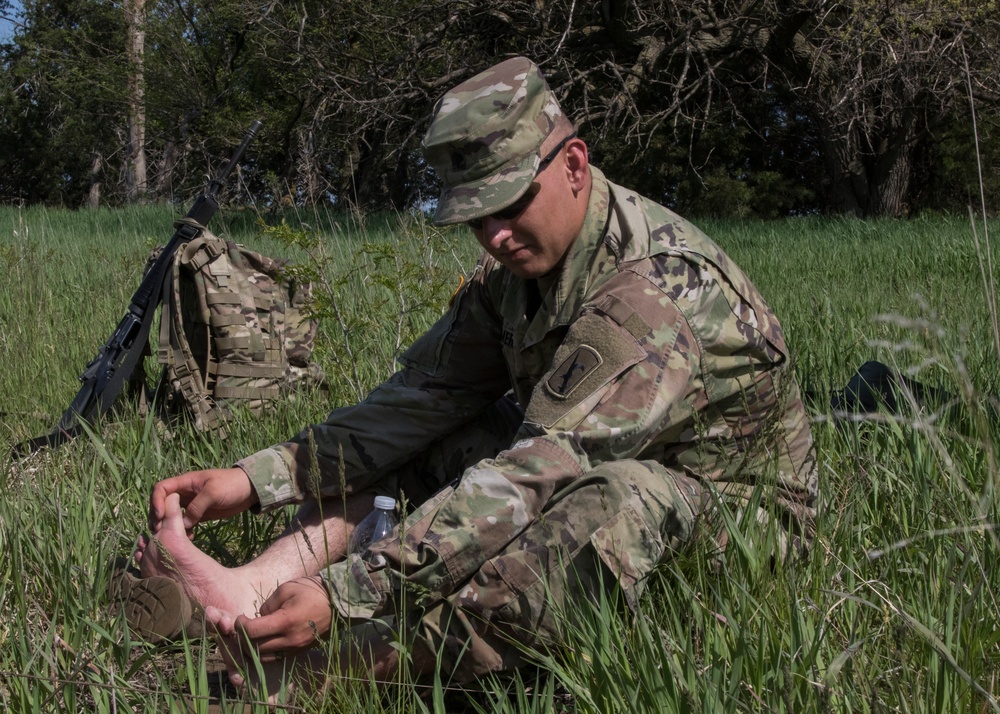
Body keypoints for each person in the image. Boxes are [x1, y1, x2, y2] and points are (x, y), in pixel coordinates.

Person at [131, 56, 819, 690]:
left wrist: (350, 595)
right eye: (476, 218)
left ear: (574, 165)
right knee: (436, 438)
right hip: (573, 462)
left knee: (612, 501)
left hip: (728, 522)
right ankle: (253, 595)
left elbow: (541, 469)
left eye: (512, 204)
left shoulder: (654, 290)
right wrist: (258, 479)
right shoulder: (515, 275)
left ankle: (330, 673)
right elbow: (419, 400)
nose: (494, 236)